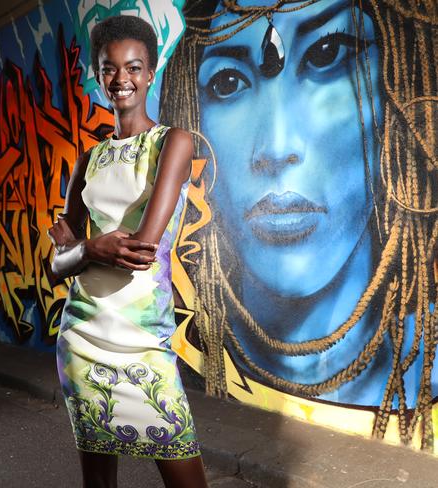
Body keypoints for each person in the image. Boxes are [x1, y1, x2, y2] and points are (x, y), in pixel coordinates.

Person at [160, 0, 437, 448]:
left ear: (395, 94)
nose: (276, 147)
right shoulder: (169, 359)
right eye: (228, 82)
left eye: (327, 53)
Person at [48, 15, 208, 488]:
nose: (122, 79)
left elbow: (142, 250)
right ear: (98, 75)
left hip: (143, 344)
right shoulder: (88, 161)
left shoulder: (173, 144)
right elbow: (56, 266)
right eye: (110, 68)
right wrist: (90, 248)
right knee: (99, 484)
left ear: (151, 71)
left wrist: (83, 248)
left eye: (134, 67)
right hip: (81, 338)